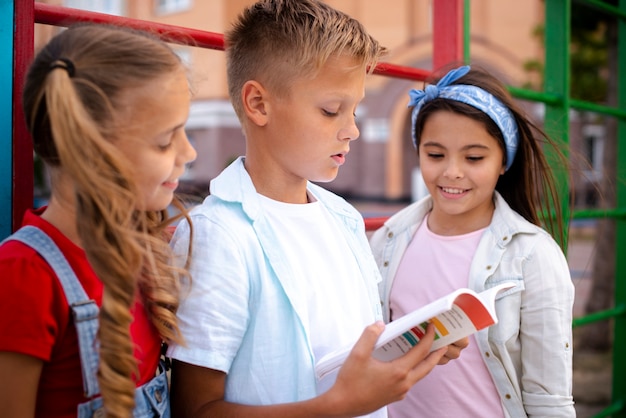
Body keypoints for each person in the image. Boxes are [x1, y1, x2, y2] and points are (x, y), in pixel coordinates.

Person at [166, 1, 465, 417]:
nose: (352, 129)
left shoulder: (342, 218)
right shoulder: (219, 236)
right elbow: (194, 409)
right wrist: (337, 407)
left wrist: (411, 345)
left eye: (355, 109)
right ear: (258, 104)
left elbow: (351, 354)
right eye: (331, 111)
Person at [0, 24, 197, 417]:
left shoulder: (144, 252)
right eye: (164, 141)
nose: (189, 152)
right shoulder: (22, 276)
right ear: (91, 153)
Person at [370, 65, 576, 417]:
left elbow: (549, 397)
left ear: (503, 161)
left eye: (474, 157)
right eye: (435, 155)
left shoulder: (533, 255)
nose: (452, 171)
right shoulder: (387, 240)